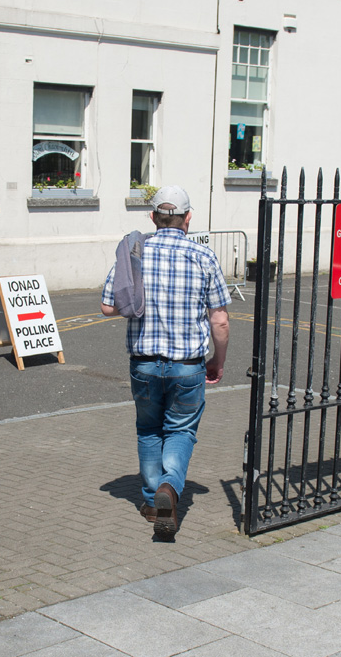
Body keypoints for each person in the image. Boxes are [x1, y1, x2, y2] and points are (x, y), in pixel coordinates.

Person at [100, 185, 231, 539]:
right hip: (188, 364)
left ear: (152, 217)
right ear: (188, 217)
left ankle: (150, 500)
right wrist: (217, 362)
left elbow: (108, 305)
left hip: (143, 362)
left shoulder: (134, 253)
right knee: (181, 429)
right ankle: (170, 489)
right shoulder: (203, 256)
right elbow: (219, 319)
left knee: (148, 430)